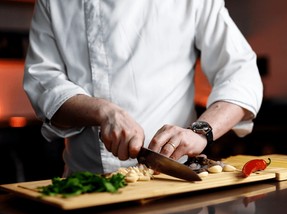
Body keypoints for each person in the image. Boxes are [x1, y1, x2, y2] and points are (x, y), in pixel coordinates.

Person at [23, 0, 263, 176]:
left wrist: (201, 132)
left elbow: (240, 71)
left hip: (171, 183)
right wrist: (103, 111)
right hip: (86, 181)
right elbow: (43, 80)